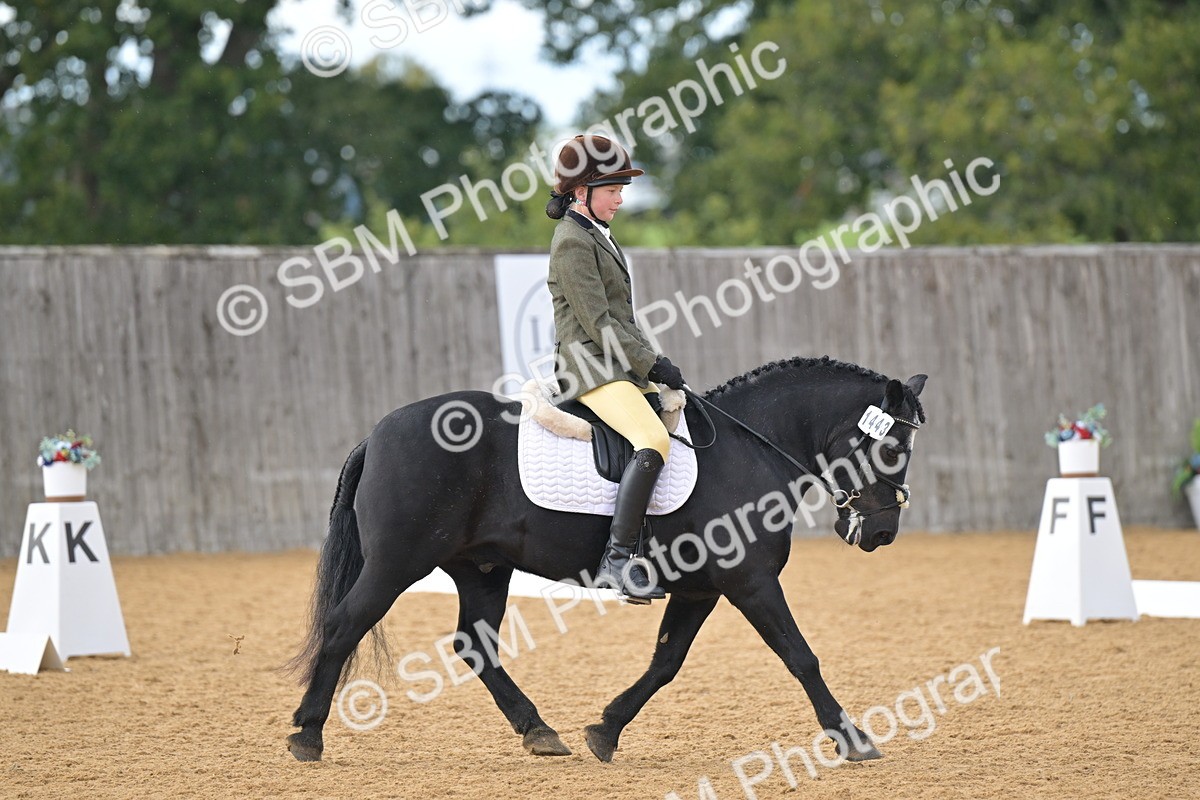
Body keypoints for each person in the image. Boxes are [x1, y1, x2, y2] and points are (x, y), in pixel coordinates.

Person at [544, 133, 687, 602]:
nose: (621, 199)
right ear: (582, 192)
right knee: (653, 438)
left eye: (622, 190)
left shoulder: (598, 236)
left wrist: (655, 364)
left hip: (617, 367)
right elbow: (600, 323)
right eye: (612, 190)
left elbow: (626, 319)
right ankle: (618, 560)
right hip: (589, 369)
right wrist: (651, 363)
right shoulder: (571, 242)